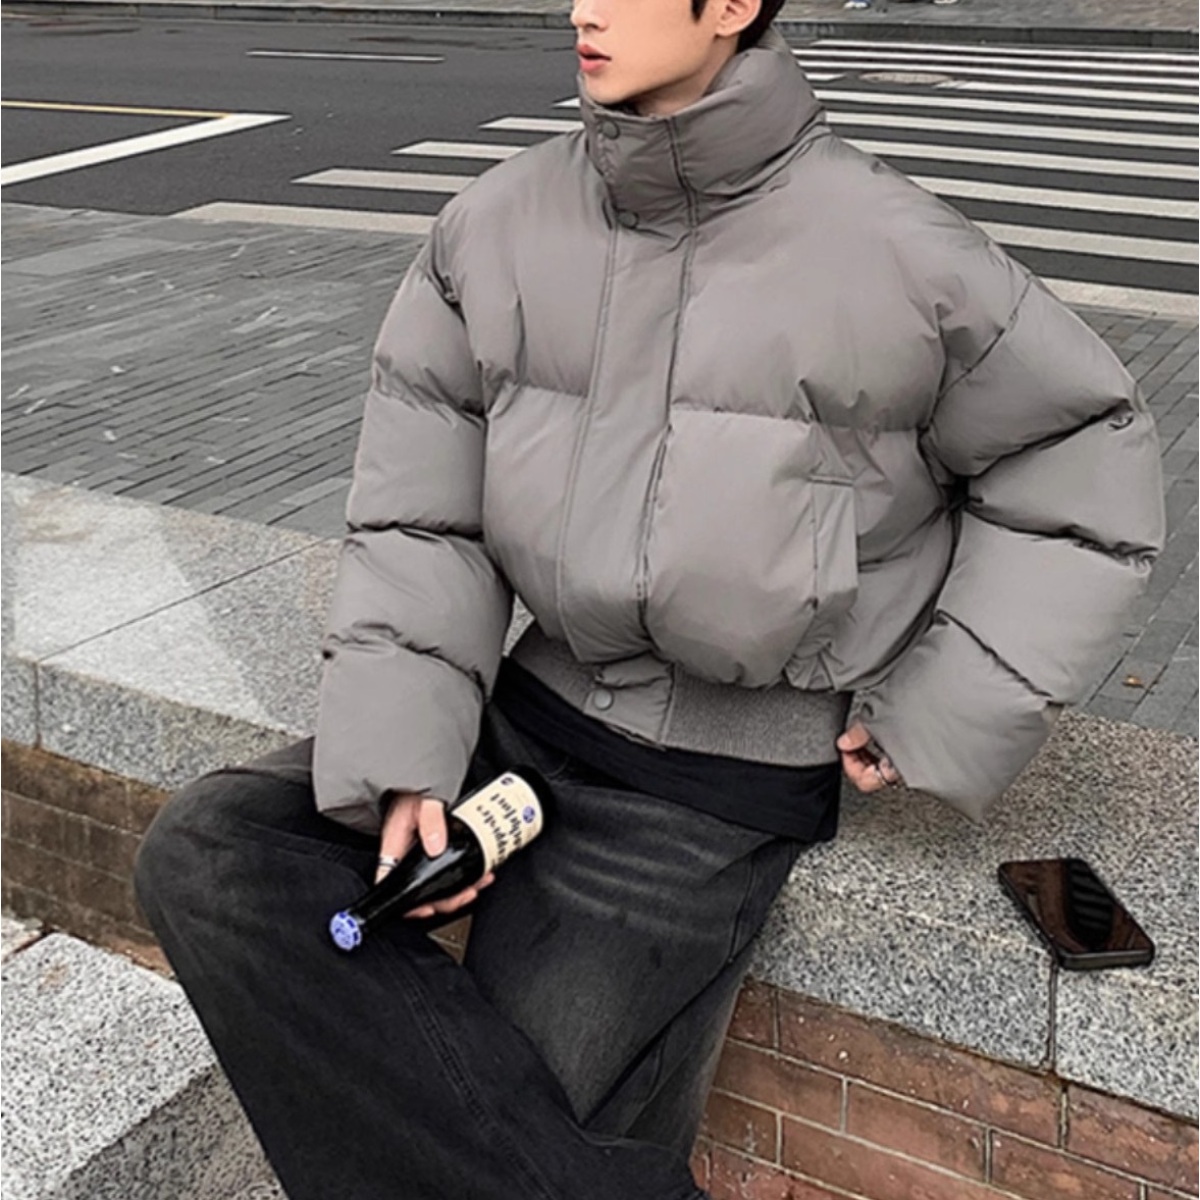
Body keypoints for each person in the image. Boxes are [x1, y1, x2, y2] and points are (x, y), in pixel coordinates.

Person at [134, 0, 1164, 1195]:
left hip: (709, 786)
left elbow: (1082, 450)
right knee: (213, 853)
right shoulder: (496, 222)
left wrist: (945, 703)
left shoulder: (895, 246)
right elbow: (423, 516)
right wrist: (408, 760)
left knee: (522, 1101)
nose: (585, 7)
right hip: (521, 713)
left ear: (731, 8)